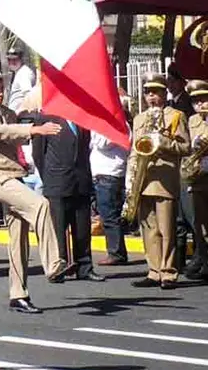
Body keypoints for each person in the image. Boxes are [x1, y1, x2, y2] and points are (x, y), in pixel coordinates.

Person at [0, 68, 66, 314]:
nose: (0, 92)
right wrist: (31, 130)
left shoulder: (7, 113)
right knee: (40, 205)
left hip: (14, 175)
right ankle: (53, 264)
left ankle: (18, 294)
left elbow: (14, 136)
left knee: (18, 237)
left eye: (1, 87)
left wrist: (35, 122)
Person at [129, 74, 191, 289]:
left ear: (165, 93)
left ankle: (168, 272)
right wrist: (130, 178)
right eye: (148, 92)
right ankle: (153, 270)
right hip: (144, 178)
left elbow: (185, 147)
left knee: (166, 229)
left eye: (156, 92)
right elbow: (134, 151)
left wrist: (162, 141)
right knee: (148, 228)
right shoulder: (139, 119)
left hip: (165, 179)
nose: (151, 96)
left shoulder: (176, 116)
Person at [30, 115, 104, 282]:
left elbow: (85, 150)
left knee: (82, 230)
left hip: (80, 182)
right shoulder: (46, 119)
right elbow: (38, 154)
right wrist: (48, 177)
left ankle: (84, 267)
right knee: (58, 229)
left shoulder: (82, 120)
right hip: (57, 182)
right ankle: (58, 267)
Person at [91, 127, 131, 267]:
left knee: (110, 216)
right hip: (103, 175)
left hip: (110, 175)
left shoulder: (117, 124)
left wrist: (92, 128)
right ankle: (115, 251)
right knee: (107, 215)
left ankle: (116, 253)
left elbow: (102, 142)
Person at [184, 80, 208, 279]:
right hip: (198, 177)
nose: (200, 104)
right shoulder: (192, 121)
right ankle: (205, 260)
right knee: (199, 223)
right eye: (196, 101)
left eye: (203, 99)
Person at [5, 47, 35, 113]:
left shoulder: (24, 73)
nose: (11, 62)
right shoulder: (18, 72)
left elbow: (28, 95)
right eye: (9, 59)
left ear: (21, 59)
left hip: (20, 114)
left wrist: (20, 112)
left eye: (15, 59)